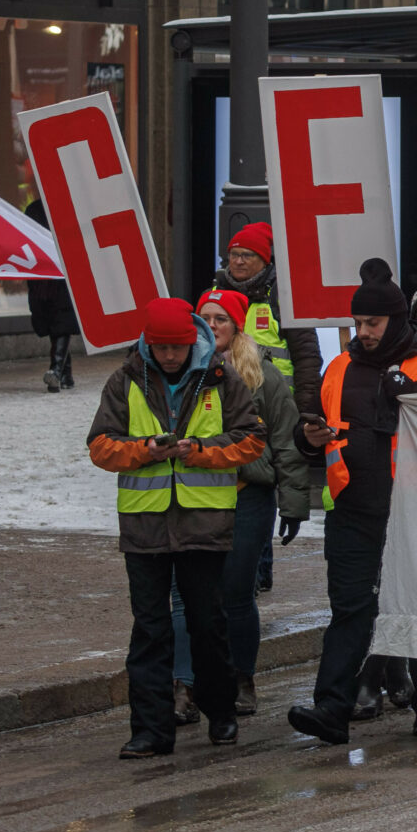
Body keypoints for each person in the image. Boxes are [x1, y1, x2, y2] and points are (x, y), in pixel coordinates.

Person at [286, 259, 417, 745]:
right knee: (350, 609)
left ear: (396, 321)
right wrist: (309, 438)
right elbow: (317, 435)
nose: (362, 332)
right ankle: (332, 707)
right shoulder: (341, 367)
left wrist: (412, 392)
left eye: (371, 323)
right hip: (353, 508)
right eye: (357, 323)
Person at [87, 297, 261, 757]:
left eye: (177, 348)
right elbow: (101, 447)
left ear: (192, 343)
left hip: (204, 524)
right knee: (150, 629)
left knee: (207, 624)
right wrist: (146, 449)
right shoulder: (124, 380)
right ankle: (150, 730)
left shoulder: (220, 379)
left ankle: (220, 712)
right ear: (148, 343)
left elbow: (251, 440)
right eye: (161, 347)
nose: (169, 356)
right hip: (145, 527)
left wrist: (197, 450)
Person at [191, 288, 312, 718]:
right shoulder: (183, 369)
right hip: (194, 497)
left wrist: (294, 505)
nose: (212, 326)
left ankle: (242, 678)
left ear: (236, 325)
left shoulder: (262, 373)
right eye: (205, 318)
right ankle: (192, 682)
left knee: (236, 595)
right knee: (195, 596)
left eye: (221, 318)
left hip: (249, 497)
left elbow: (286, 443)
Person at [208, 222, 325, 415]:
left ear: (263, 259)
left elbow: (307, 358)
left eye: (247, 255)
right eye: (234, 254)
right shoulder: (214, 295)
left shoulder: (284, 296)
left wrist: (304, 413)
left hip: (276, 408)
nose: (238, 261)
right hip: (222, 406)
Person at [23, 197, 81, 392]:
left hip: (63, 273)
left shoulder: (69, 208)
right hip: (42, 275)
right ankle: (66, 375)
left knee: (61, 320)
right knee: (51, 321)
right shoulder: (34, 209)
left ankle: (56, 371)